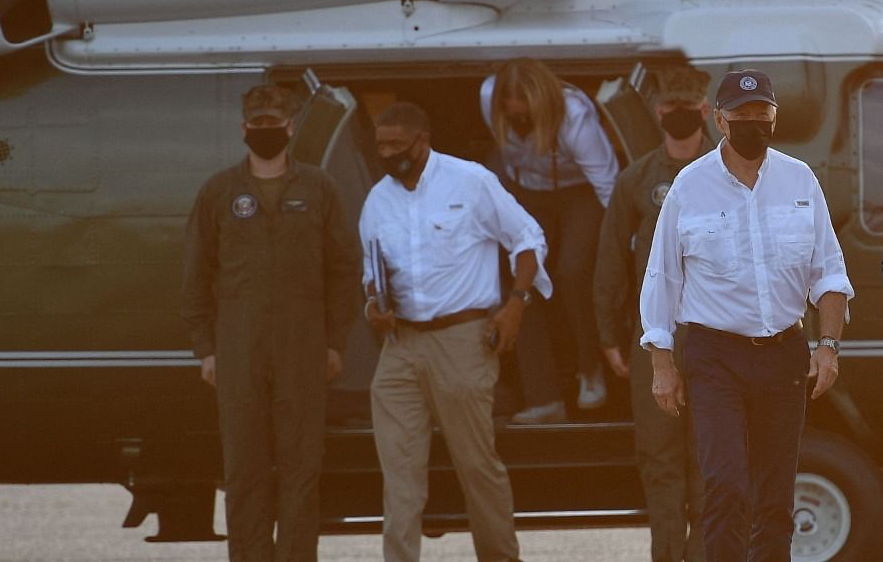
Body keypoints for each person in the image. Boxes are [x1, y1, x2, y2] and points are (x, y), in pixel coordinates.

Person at [640, 69, 854, 562]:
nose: (754, 124)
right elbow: (662, 279)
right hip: (715, 356)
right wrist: (662, 364)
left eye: (763, 115)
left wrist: (829, 347)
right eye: (742, 116)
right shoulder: (689, 187)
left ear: (775, 118)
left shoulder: (800, 179)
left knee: (776, 495)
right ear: (719, 119)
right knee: (727, 485)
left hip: (783, 351)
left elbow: (830, 274)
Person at [360, 101, 551, 562]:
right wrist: (374, 306)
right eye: (380, 145)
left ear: (421, 142)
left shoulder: (471, 181)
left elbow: (527, 238)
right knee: (400, 475)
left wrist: (515, 305)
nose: (386, 153)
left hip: (463, 341)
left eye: (395, 145)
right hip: (400, 347)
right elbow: (371, 274)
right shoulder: (377, 200)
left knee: (476, 466)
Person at [181, 84, 361, 562]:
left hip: (304, 348)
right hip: (238, 349)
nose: (265, 132)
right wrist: (206, 349)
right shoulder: (219, 192)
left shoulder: (319, 188)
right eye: (257, 126)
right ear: (244, 129)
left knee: (303, 468)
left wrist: (335, 342)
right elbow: (196, 274)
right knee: (243, 470)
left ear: (290, 128)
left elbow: (345, 270)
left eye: (273, 125)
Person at [594, 67, 713, 562]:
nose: (677, 114)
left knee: (709, 460)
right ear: (657, 112)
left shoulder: (730, 172)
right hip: (655, 336)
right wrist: (608, 336)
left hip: (715, 335)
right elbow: (610, 263)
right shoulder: (637, 179)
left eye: (688, 105)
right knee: (659, 459)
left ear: (706, 110)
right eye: (668, 107)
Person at [481, 58, 619, 421]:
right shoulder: (487, 96)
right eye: (512, 119)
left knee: (573, 270)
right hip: (525, 187)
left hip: (579, 191)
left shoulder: (576, 120)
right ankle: (544, 397)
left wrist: (622, 247)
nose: (520, 125)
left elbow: (608, 187)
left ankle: (591, 369)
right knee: (520, 277)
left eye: (525, 118)